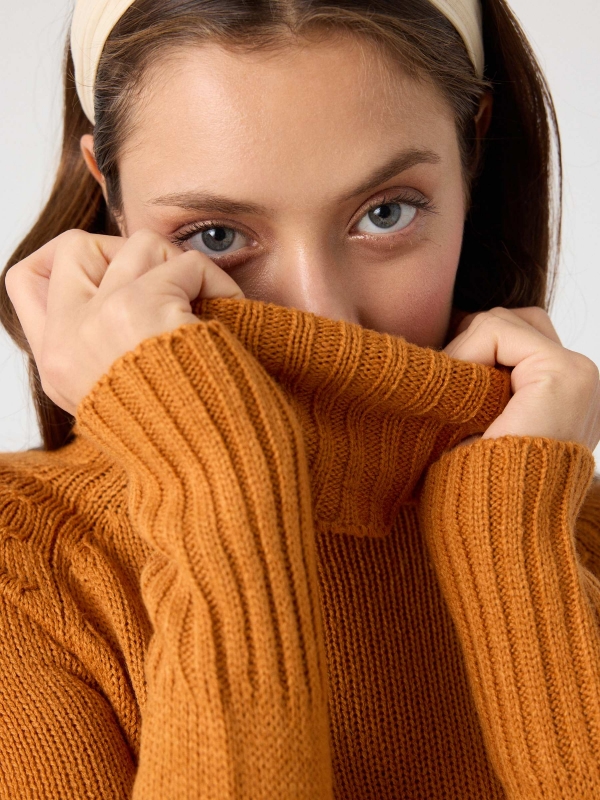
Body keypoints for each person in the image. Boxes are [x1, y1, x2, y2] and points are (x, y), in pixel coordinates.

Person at [1, 0, 600, 796]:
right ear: (109, 194)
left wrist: (518, 553)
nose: (322, 314)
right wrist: (219, 482)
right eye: (216, 235)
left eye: (386, 213)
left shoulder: (568, 531)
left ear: (473, 149)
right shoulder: (25, 575)